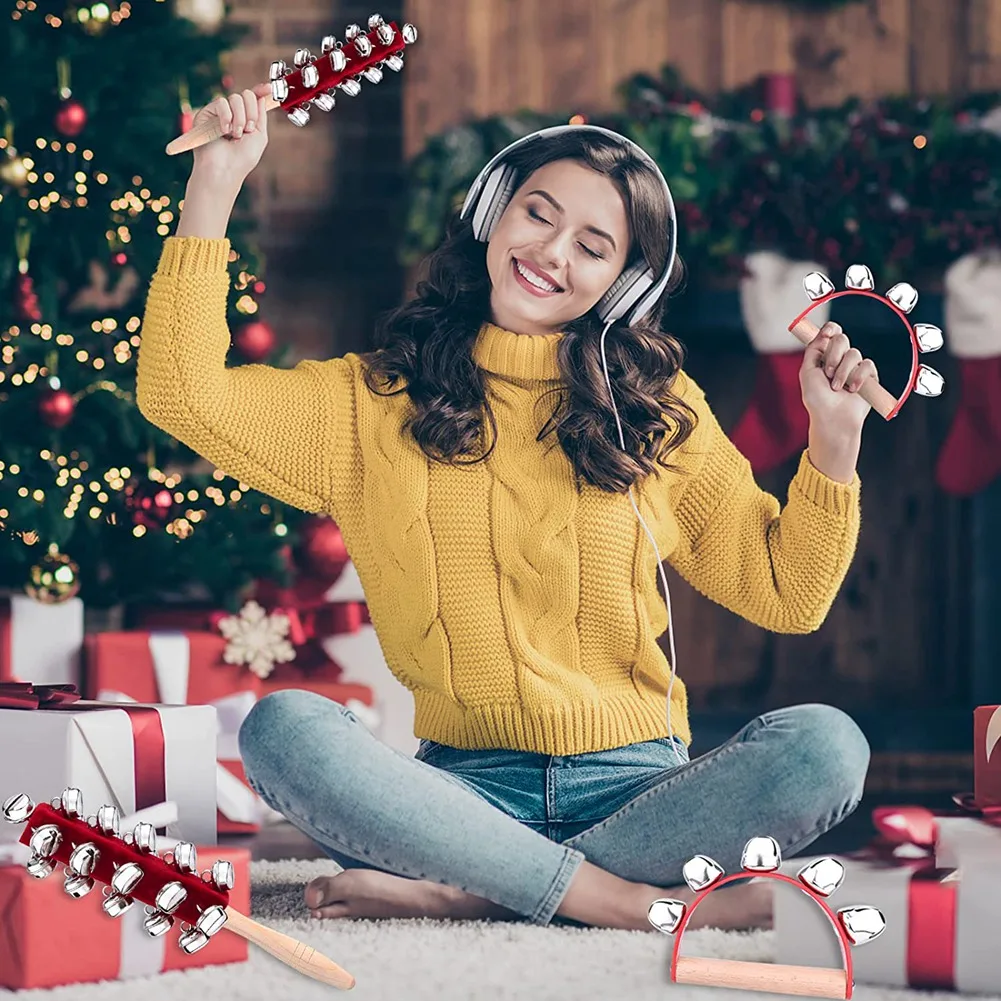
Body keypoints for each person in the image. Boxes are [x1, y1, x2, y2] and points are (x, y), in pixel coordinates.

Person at [137, 86, 875, 932]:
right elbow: (179, 394)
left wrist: (832, 439)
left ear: (621, 284)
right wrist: (216, 185)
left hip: (641, 791)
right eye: (537, 213)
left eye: (592, 246)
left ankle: (478, 889)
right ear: (492, 212)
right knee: (283, 728)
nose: (552, 253)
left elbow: (788, 593)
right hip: (453, 794)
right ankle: (618, 901)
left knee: (826, 744)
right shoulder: (368, 402)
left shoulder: (656, 407)